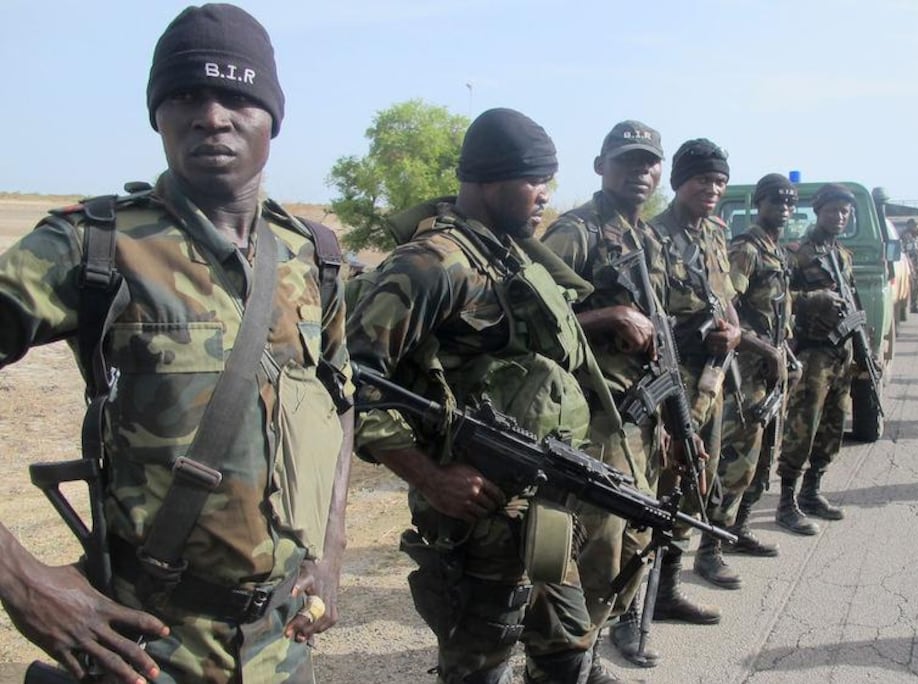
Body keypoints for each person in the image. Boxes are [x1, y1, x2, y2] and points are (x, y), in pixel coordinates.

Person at [0, 5, 354, 682]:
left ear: (271, 118)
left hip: (282, 644)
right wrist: (22, 582)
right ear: (157, 114)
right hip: (149, 646)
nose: (212, 115)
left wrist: (331, 548)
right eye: (185, 94)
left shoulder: (317, 257)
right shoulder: (96, 246)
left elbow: (340, 399)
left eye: (238, 95)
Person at [346, 108, 601, 683]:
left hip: (536, 497)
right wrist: (429, 477)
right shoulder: (435, 264)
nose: (545, 195)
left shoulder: (505, 250)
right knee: (477, 666)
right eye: (535, 180)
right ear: (491, 179)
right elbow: (349, 379)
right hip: (471, 509)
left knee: (566, 650)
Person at [540, 120, 669, 676]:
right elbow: (528, 315)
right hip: (595, 418)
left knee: (638, 536)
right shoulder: (576, 232)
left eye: (647, 163)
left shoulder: (649, 237)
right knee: (599, 543)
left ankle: (587, 648)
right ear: (600, 166)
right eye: (626, 161)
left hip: (643, 415)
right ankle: (565, 659)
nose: (639, 172)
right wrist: (609, 315)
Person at [649, 138, 743, 623]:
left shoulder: (714, 234)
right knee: (662, 484)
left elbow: (725, 295)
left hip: (712, 378)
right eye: (703, 179)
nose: (712, 188)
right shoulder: (652, 237)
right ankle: (631, 611)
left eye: (719, 181)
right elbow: (650, 318)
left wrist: (735, 327)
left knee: (695, 483)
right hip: (673, 382)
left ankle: (666, 591)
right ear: (679, 182)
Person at [698, 173, 796, 583]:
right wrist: (766, 350)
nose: (785, 207)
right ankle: (710, 549)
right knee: (735, 464)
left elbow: (777, 313)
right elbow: (725, 311)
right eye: (777, 200)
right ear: (760, 204)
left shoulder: (777, 251)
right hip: (745, 373)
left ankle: (740, 530)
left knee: (762, 458)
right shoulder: (747, 251)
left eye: (790, 201)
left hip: (771, 370)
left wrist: (784, 350)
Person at [776, 183, 861, 535]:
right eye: (832, 210)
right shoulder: (797, 254)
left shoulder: (842, 256)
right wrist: (813, 298)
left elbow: (853, 301)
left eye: (844, 212)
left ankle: (812, 490)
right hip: (812, 354)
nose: (839, 217)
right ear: (817, 211)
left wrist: (863, 350)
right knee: (802, 427)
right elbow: (778, 299)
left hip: (841, 354)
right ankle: (786, 501)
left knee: (832, 426)